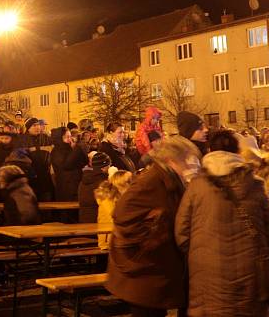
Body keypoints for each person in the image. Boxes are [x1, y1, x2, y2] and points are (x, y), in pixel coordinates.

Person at [176, 129, 269, 316]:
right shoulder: (255, 185)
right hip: (251, 276)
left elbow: (182, 233)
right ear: (238, 152)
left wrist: (200, 253)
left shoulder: (196, 187)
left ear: (210, 151)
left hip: (207, 276)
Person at [106, 135, 201, 317]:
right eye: (188, 162)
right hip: (142, 269)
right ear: (172, 161)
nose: (192, 166)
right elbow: (121, 215)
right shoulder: (150, 182)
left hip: (155, 268)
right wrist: (153, 238)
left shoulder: (171, 181)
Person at [94, 169, 132, 250]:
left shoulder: (120, 196)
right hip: (108, 239)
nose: (132, 184)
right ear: (120, 183)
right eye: (128, 181)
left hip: (119, 237)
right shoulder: (107, 198)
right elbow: (115, 216)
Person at [50, 126, 86, 201]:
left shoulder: (71, 148)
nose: (70, 140)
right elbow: (66, 165)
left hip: (76, 185)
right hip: (66, 188)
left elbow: (84, 161)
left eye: (70, 136)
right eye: (67, 137)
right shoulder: (56, 151)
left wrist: (78, 148)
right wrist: (75, 150)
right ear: (60, 138)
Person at [78, 151, 111, 223]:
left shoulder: (84, 179)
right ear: (103, 168)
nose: (110, 167)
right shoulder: (103, 183)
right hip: (97, 220)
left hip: (84, 219)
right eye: (109, 166)